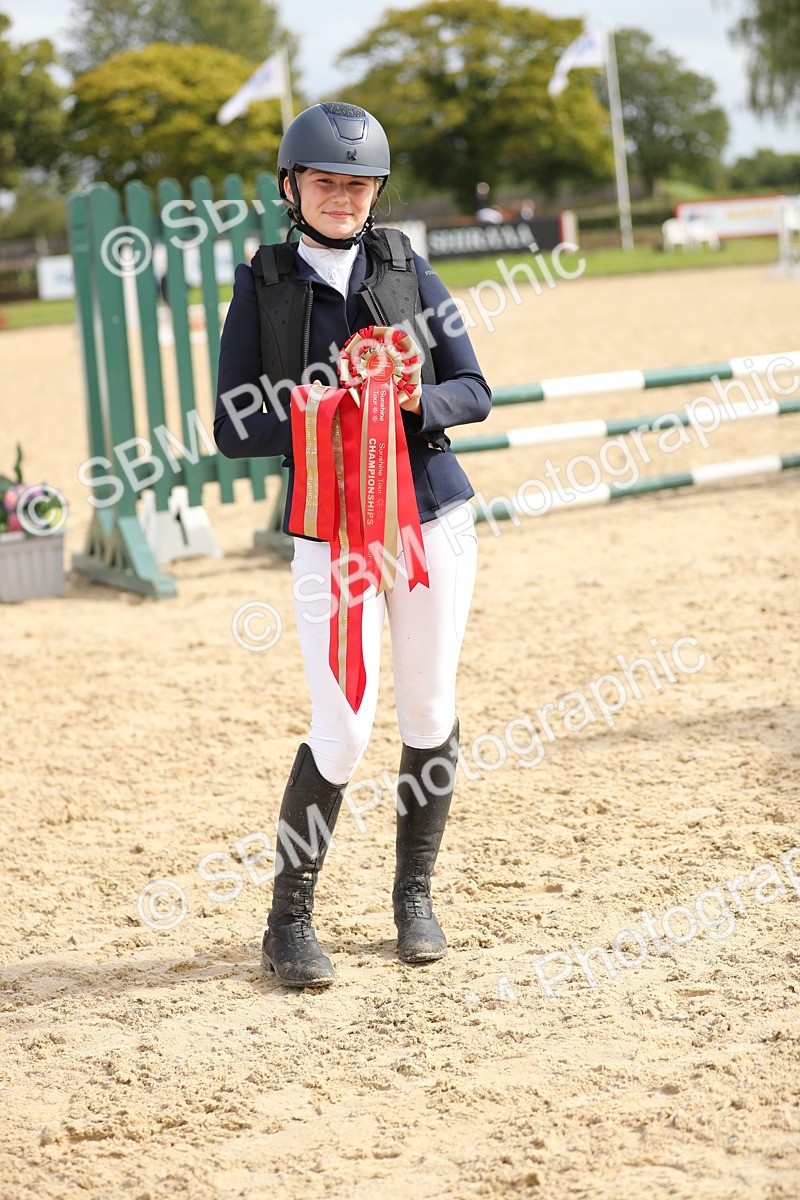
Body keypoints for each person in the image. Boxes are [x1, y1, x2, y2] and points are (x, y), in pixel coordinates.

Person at [214, 101, 492, 989]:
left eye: (358, 183)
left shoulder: (408, 266)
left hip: (431, 520)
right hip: (330, 531)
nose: (343, 196)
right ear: (291, 187)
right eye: (326, 181)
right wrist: (331, 412)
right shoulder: (261, 282)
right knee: (341, 728)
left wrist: (411, 405)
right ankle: (286, 921)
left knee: (428, 710)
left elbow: (475, 389)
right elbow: (231, 425)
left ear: (376, 192)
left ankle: (414, 899)